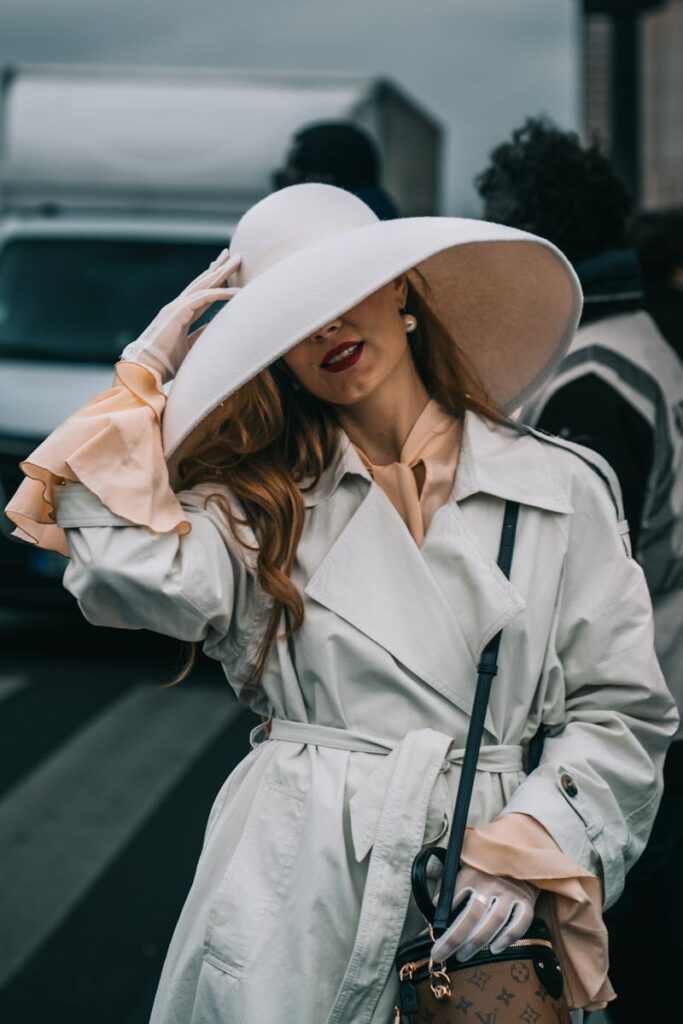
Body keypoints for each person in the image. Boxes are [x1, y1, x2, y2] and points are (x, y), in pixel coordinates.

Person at [5, 183, 677, 1024]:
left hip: (478, 887)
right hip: (293, 882)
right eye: (289, 317)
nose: (323, 328)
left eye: (344, 290)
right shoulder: (255, 501)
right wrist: (146, 371)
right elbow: (120, 576)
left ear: (402, 288)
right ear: (268, 351)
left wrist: (529, 848)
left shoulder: (559, 486)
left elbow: (621, 709)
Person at [476, 117, 683, 1023]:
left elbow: (567, 587)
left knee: (622, 962)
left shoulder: (592, 376)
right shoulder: (632, 344)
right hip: (660, 692)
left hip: (633, 716)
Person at [273, 120, 400, 219]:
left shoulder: (338, 228)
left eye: (288, 183)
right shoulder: (378, 214)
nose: (284, 195)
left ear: (320, 182)